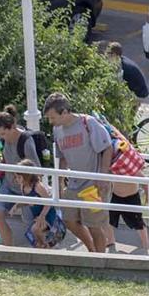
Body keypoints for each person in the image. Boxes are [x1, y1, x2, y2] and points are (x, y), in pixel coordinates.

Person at [44, 92, 113, 253]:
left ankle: (100, 260)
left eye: (53, 117)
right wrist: (60, 183)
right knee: (68, 220)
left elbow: (107, 147)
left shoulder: (87, 123)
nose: (51, 121)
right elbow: (62, 158)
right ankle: (91, 251)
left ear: (65, 112)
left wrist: (102, 176)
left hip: (93, 184)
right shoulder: (57, 130)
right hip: (74, 184)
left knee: (95, 225)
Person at [0, 107, 44, 247]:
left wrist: (30, 191)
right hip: (8, 184)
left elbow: (37, 170)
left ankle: (40, 252)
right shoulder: (4, 140)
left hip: (25, 187)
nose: (1, 137)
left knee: (31, 225)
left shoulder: (26, 141)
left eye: (3, 133)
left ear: (12, 127)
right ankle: (9, 249)